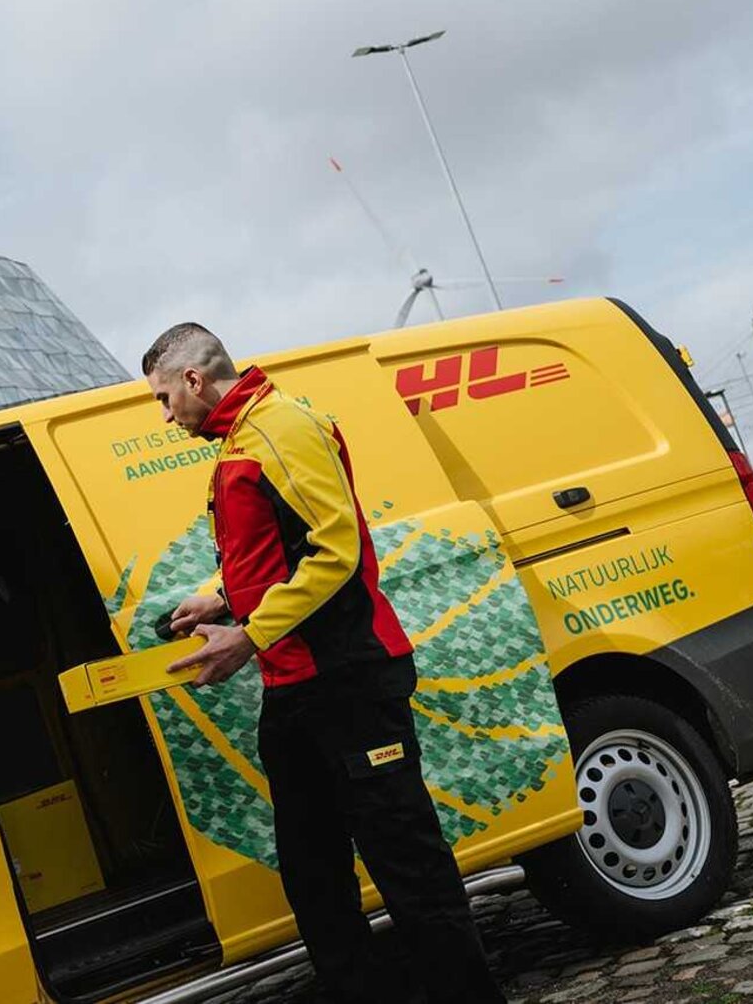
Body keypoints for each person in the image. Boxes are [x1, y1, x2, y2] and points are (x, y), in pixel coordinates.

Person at [143, 322, 505, 1004]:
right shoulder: (241, 439)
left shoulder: (282, 426)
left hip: (348, 681)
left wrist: (247, 636)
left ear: (194, 380)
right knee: (315, 884)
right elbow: (275, 551)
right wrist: (218, 599)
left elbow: (334, 551)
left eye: (165, 398)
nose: (166, 416)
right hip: (293, 692)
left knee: (411, 873)